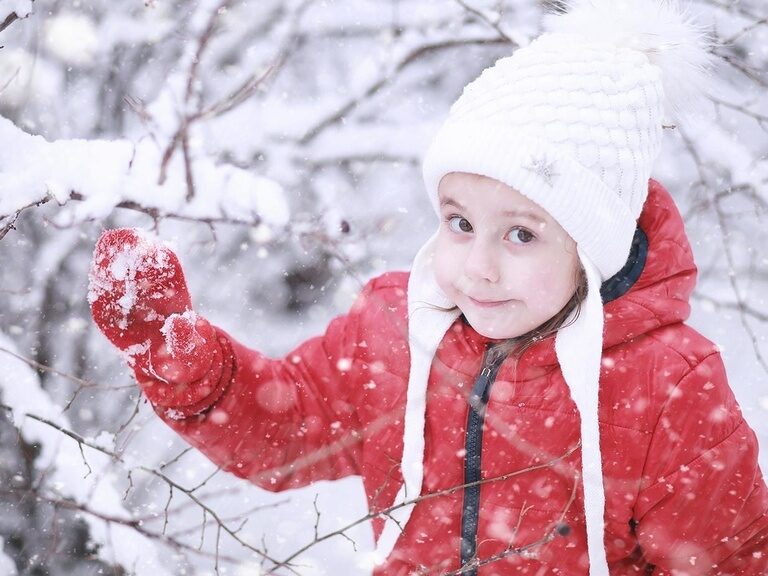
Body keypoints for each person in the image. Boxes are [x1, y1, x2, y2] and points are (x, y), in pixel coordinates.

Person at [88, 0, 768, 574]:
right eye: (461, 223)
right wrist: (187, 362)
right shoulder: (396, 328)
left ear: (593, 246)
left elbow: (730, 558)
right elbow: (285, 431)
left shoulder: (667, 385)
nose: (479, 266)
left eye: (521, 234)